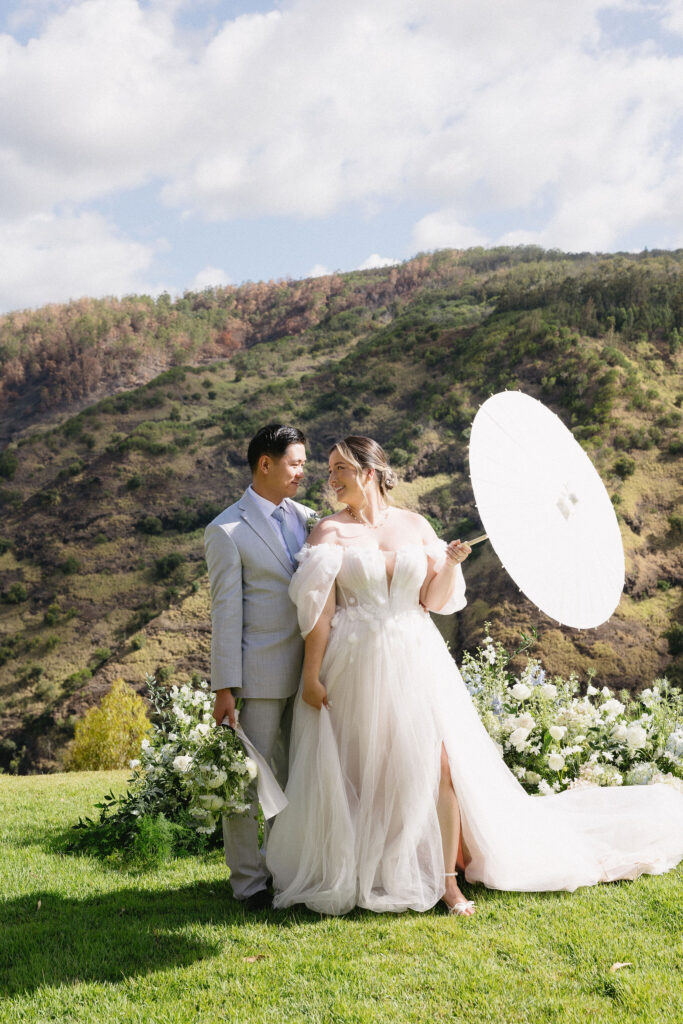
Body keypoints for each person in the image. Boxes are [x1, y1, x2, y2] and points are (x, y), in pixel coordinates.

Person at [266, 436, 683, 916]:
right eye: (330, 469)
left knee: (439, 766)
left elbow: (433, 601)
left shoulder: (416, 525)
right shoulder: (328, 534)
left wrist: (449, 564)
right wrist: (313, 676)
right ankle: (367, 869)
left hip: (414, 658)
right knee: (361, 770)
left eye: (340, 468)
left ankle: (447, 883)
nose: (330, 478)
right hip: (352, 663)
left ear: (370, 471)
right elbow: (319, 613)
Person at [204, 423, 315, 909]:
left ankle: (287, 872)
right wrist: (225, 687)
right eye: (295, 463)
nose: (301, 472)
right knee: (249, 782)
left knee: (298, 777)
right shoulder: (226, 529)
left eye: (304, 464)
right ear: (264, 464)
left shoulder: (309, 517)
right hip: (260, 677)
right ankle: (248, 884)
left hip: (313, 672)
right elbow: (225, 613)